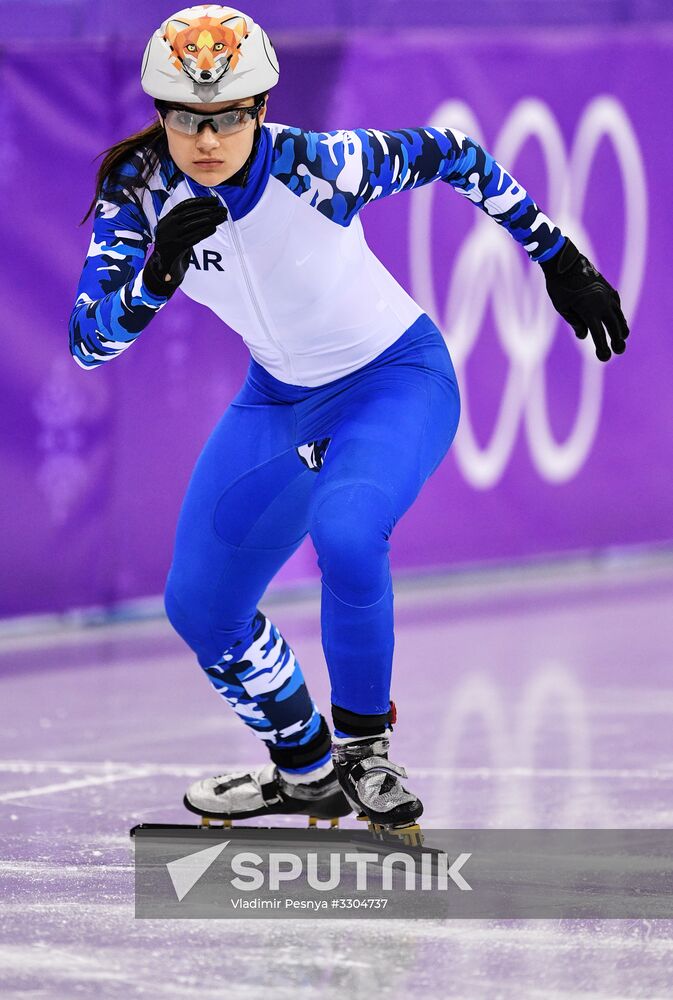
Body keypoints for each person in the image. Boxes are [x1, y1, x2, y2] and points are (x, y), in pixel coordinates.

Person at [70, 4, 630, 835]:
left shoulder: (319, 166)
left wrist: (557, 256)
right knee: (199, 608)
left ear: (260, 109)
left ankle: (365, 752)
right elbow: (88, 343)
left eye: (229, 116)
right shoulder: (138, 190)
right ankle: (304, 770)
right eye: (187, 118)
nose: (208, 138)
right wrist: (154, 275)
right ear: (159, 113)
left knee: (346, 526)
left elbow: (453, 156)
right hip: (278, 400)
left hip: (392, 380)